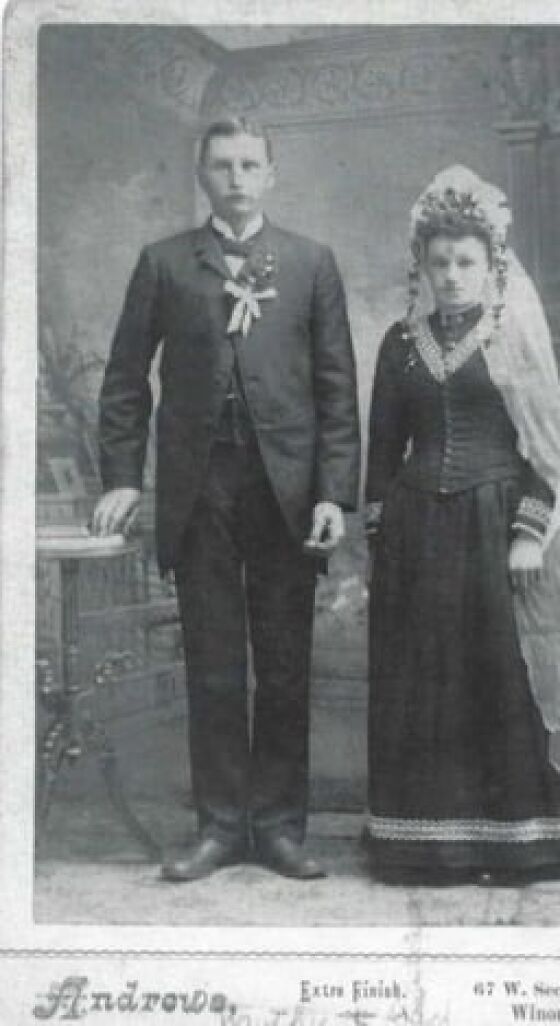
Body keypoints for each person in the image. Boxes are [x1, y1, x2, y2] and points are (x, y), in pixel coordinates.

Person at [92, 117, 360, 882]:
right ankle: (217, 826)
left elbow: (337, 390)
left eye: (250, 164)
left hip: (286, 491)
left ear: (271, 173)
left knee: (282, 665)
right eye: (222, 165)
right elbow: (123, 380)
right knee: (212, 664)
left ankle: (277, 828)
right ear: (203, 174)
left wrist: (334, 492)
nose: (237, 177)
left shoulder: (311, 264)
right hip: (199, 488)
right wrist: (120, 475)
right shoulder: (165, 263)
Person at [364, 166, 560, 882]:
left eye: (465, 262)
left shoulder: (511, 337)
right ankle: (428, 843)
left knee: (499, 673)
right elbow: (382, 451)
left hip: (496, 527)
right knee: (424, 679)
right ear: (423, 267)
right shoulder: (398, 345)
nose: (451, 276)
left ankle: (516, 841)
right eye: (438, 263)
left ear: (491, 265)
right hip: (416, 532)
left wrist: (531, 531)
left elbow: (543, 445)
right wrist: (379, 540)